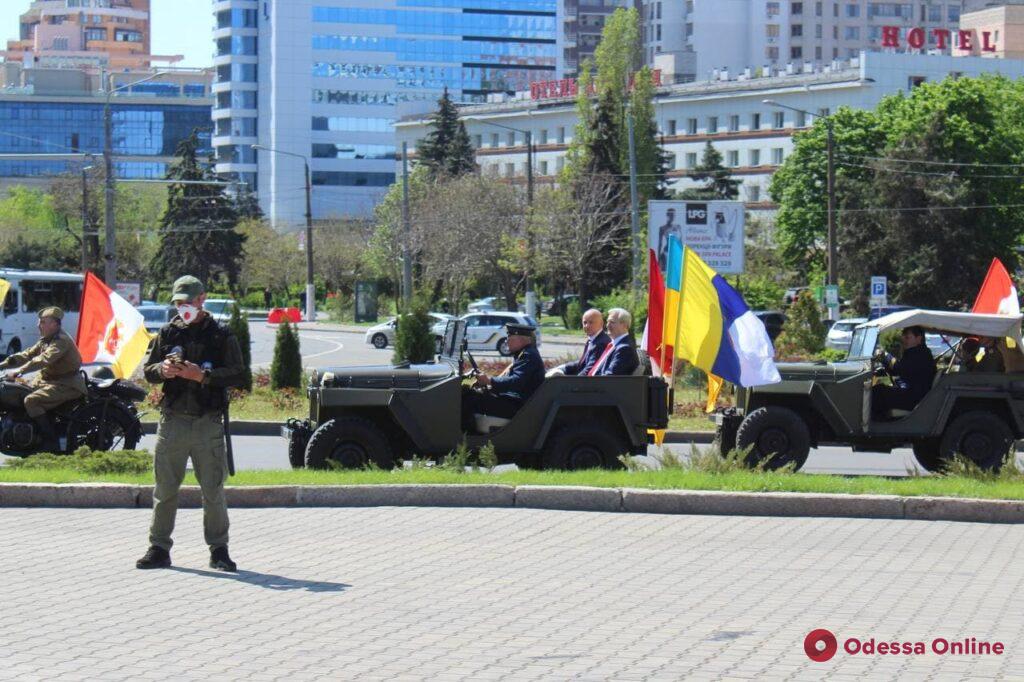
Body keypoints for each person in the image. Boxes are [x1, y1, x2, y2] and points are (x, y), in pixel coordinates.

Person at [136, 276, 246, 572]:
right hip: (173, 420)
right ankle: (159, 548)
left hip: (207, 422)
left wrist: (204, 377)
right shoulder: (169, 332)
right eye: (179, 302)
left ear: (202, 299)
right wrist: (164, 370)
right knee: (165, 488)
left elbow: (238, 374)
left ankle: (219, 550)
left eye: (189, 301)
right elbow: (149, 370)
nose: (184, 307)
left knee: (213, 489)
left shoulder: (221, 334)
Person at [0, 307, 86, 452]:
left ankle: (50, 442)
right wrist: (3, 364)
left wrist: (19, 371)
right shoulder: (46, 340)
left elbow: (43, 360)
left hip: (66, 384)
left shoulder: (61, 341)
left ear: (54, 324)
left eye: (43, 322)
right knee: (19, 391)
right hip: (48, 381)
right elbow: (27, 354)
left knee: (31, 401)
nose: (38, 325)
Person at [462, 323, 545, 427]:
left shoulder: (528, 355)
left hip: (518, 405)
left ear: (522, 340)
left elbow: (517, 381)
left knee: (469, 398)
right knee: (469, 392)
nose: (506, 341)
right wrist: (489, 384)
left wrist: (490, 381)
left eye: (510, 337)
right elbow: (511, 379)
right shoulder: (524, 353)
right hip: (514, 401)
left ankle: (464, 436)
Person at [871, 326, 936, 418]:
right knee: (878, 385)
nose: (904, 340)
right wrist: (885, 364)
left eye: (907, 337)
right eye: (903, 337)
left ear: (919, 338)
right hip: (909, 391)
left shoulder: (920, 354)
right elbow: (899, 371)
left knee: (876, 391)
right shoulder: (915, 352)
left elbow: (900, 368)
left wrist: (886, 356)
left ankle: (873, 425)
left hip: (913, 397)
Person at [549, 308, 610, 377]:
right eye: (585, 322)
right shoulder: (593, 339)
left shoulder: (601, 343)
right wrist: (562, 368)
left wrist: (573, 382)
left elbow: (590, 370)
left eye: (591, 322)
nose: (587, 326)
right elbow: (582, 363)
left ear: (601, 323)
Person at [591, 308, 639, 376]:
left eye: (612, 322)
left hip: (601, 385)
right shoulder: (614, 345)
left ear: (624, 325)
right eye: (607, 322)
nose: (607, 325)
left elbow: (611, 377)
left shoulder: (624, 349)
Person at [656, 207, 681, 274]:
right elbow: (660, 244)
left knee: (676, 273)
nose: (673, 217)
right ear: (667, 215)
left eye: (674, 215)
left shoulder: (678, 227)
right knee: (665, 272)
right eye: (671, 215)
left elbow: (680, 241)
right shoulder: (662, 228)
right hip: (666, 252)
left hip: (676, 253)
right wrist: (658, 258)